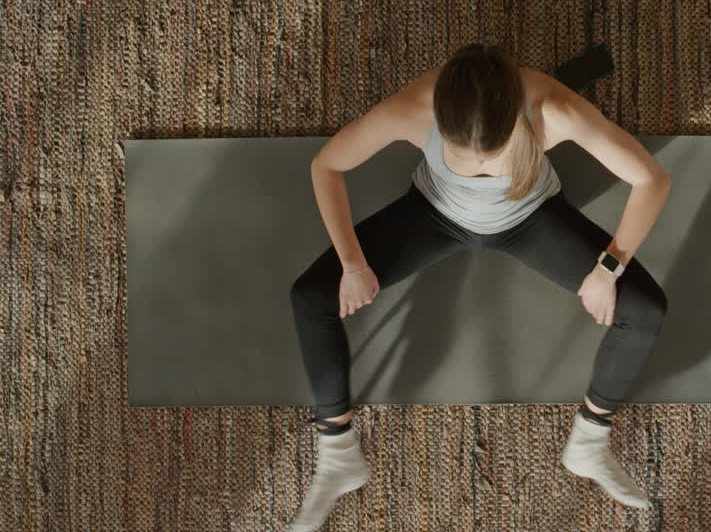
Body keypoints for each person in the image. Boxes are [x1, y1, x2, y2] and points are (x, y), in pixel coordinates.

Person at [287, 43, 671, 530]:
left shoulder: (555, 110)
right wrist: (352, 262)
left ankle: (590, 442)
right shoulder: (412, 109)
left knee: (646, 310)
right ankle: (338, 452)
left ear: (519, 122)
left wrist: (608, 268)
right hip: (434, 215)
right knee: (309, 296)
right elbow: (327, 165)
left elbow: (652, 180)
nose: (482, 168)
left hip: (532, 218)